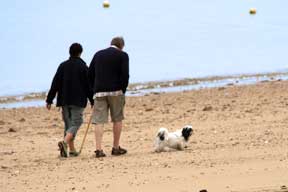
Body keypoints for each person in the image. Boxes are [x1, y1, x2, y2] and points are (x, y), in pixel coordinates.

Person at [46, 43, 94, 158]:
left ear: (70, 52)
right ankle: (64, 143)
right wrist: (92, 100)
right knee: (77, 122)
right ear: (80, 53)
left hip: (64, 100)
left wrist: (49, 99)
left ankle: (71, 150)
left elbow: (55, 83)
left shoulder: (63, 66)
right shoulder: (83, 67)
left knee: (68, 125)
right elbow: (88, 86)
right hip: (77, 100)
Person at [88, 36, 129, 158]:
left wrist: (93, 89)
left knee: (99, 121)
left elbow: (90, 73)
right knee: (117, 119)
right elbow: (125, 75)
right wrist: (123, 89)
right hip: (116, 91)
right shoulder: (123, 55)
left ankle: (99, 149)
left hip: (99, 91)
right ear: (121, 46)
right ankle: (115, 147)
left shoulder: (98, 54)